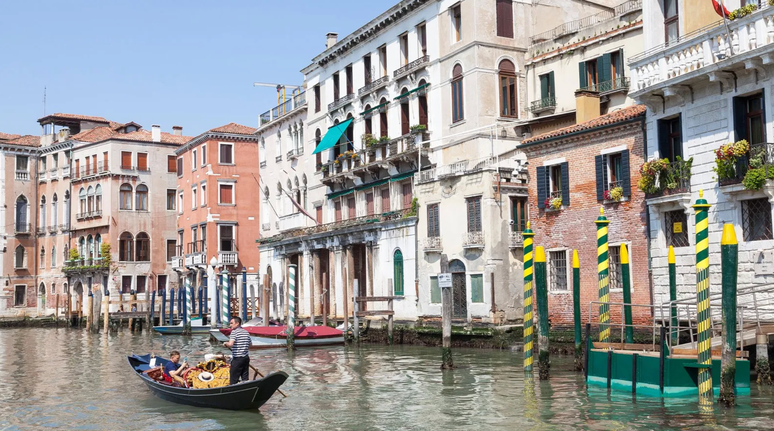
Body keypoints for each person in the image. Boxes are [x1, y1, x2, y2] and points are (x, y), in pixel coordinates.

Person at [223, 316, 252, 384]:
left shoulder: (234, 332)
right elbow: (250, 345)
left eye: (231, 323)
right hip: (246, 358)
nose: (230, 325)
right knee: (245, 379)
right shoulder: (246, 332)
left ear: (237, 323)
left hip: (237, 359)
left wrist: (225, 343)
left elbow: (230, 344)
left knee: (233, 379)